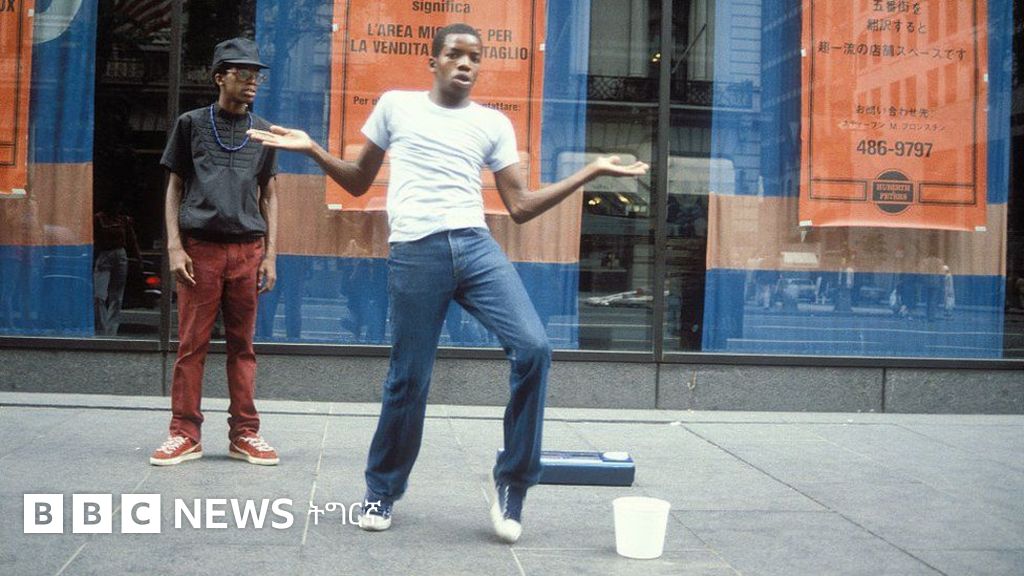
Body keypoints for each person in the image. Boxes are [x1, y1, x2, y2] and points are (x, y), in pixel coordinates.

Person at [249, 23, 648, 542]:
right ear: (433, 61)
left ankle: (513, 483)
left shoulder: (492, 123)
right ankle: (382, 489)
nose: (466, 63)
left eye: (474, 57)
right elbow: (358, 181)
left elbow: (520, 207)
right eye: (455, 54)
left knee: (534, 349)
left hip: (476, 247)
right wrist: (312, 150)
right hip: (417, 252)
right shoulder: (396, 106)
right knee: (408, 379)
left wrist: (590, 172)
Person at [150, 37, 281, 467]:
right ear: (219, 77)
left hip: (248, 250)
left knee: (243, 347)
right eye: (243, 73)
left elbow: (269, 194)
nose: (252, 81)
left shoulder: (263, 132)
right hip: (200, 250)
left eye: (257, 74)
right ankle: (184, 434)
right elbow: (174, 188)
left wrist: (270, 255)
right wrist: (174, 246)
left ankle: (245, 434)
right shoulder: (190, 124)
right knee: (192, 345)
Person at [93, 201, 141, 336]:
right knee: (99, 295)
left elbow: (132, 239)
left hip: (119, 254)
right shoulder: (98, 219)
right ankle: (102, 328)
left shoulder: (123, 220)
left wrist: (138, 257)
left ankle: (111, 329)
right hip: (105, 254)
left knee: (116, 295)